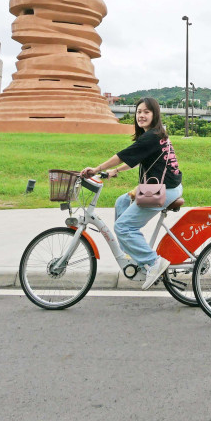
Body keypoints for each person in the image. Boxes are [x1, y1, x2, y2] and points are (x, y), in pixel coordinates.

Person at [81, 97, 182, 290]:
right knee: (121, 202)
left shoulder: (152, 136)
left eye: (146, 112)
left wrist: (96, 168)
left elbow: (122, 155)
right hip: (166, 186)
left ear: (155, 115)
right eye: (139, 112)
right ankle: (132, 254)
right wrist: (115, 171)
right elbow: (135, 158)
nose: (141, 116)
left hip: (163, 190)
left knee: (123, 227)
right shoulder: (155, 135)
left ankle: (153, 262)